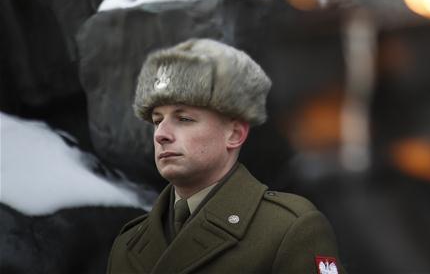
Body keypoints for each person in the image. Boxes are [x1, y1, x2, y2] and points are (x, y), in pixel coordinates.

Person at [107, 38, 344, 274]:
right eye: (157, 120)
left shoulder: (288, 228)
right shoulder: (127, 244)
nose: (161, 134)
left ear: (234, 134)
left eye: (184, 119)